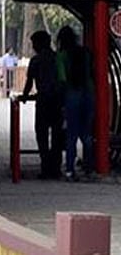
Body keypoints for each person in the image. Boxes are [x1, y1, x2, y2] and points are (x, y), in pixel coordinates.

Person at [22, 31, 63, 179]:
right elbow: (63, 80)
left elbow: (29, 82)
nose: (33, 47)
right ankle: (56, 168)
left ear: (40, 44)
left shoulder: (36, 60)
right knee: (57, 134)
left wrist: (25, 96)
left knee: (42, 134)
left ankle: (46, 167)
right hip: (57, 101)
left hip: (43, 101)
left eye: (34, 44)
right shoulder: (58, 58)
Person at [56, 26, 95, 181]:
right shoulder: (85, 53)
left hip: (72, 94)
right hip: (89, 93)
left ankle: (70, 171)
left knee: (71, 135)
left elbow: (62, 79)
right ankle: (88, 169)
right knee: (86, 135)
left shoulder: (62, 55)